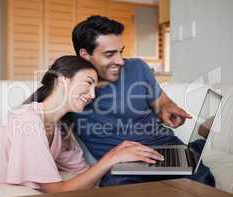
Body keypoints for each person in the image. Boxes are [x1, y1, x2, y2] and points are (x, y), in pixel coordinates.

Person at [0, 56, 164, 193]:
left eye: (96, 88)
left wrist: (127, 163)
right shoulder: (28, 121)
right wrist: (113, 157)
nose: (92, 94)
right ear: (63, 80)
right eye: (88, 83)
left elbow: (84, 175)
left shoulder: (62, 129)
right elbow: (57, 192)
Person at [71, 15, 215, 186]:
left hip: (164, 148)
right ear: (85, 54)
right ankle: (197, 146)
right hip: (122, 163)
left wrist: (168, 108)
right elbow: (37, 112)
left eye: (120, 51)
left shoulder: (137, 67)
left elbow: (162, 103)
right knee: (116, 190)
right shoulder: (67, 84)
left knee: (202, 182)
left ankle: (195, 147)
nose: (119, 60)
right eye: (109, 54)